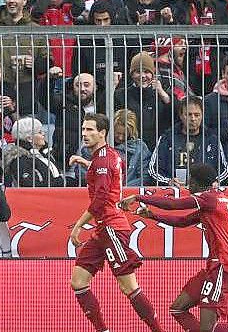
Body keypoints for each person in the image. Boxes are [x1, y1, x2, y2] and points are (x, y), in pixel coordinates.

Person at [119, 163, 228, 332]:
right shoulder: (214, 200)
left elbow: (173, 204)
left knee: (207, 328)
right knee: (178, 308)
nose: (188, 186)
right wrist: (152, 215)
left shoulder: (208, 198)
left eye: (190, 181)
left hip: (223, 266)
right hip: (216, 266)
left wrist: (139, 197)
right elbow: (182, 221)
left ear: (197, 182)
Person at [68, 113, 164, 332]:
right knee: (78, 281)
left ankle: (158, 329)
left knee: (128, 286)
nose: (84, 134)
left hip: (112, 228)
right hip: (103, 229)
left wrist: (78, 225)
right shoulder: (107, 155)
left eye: (90, 130)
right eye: (83, 129)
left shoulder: (102, 159)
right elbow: (107, 173)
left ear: (102, 133)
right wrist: (86, 163)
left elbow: (101, 199)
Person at [149, 97, 228, 185]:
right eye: (189, 114)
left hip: (204, 191)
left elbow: (224, 170)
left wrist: (215, 181)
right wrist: (168, 181)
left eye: (197, 115)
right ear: (181, 115)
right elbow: (153, 169)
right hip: (175, 192)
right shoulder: (167, 138)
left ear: (202, 115)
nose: (193, 119)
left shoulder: (212, 139)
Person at [114, 52, 173, 150]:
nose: (142, 76)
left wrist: (163, 95)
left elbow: (175, 116)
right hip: (128, 150)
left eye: (146, 72)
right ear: (132, 74)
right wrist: (112, 87)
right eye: (138, 71)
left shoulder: (162, 94)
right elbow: (104, 112)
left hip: (156, 149)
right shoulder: (121, 94)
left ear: (153, 74)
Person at [5, 116, 64, 187]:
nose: (43, 134)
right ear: (29, 138)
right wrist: (62, 182)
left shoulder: (44, 153)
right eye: (39, 132)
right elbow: (31, 185)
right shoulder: (20, 159)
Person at [113, 109, 152, 186]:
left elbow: (145, 176)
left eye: (125, 134)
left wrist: (125, 188)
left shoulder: (140, 147)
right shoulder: (101, 144)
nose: (120, 138)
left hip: (130, 192)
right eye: (117, 133)